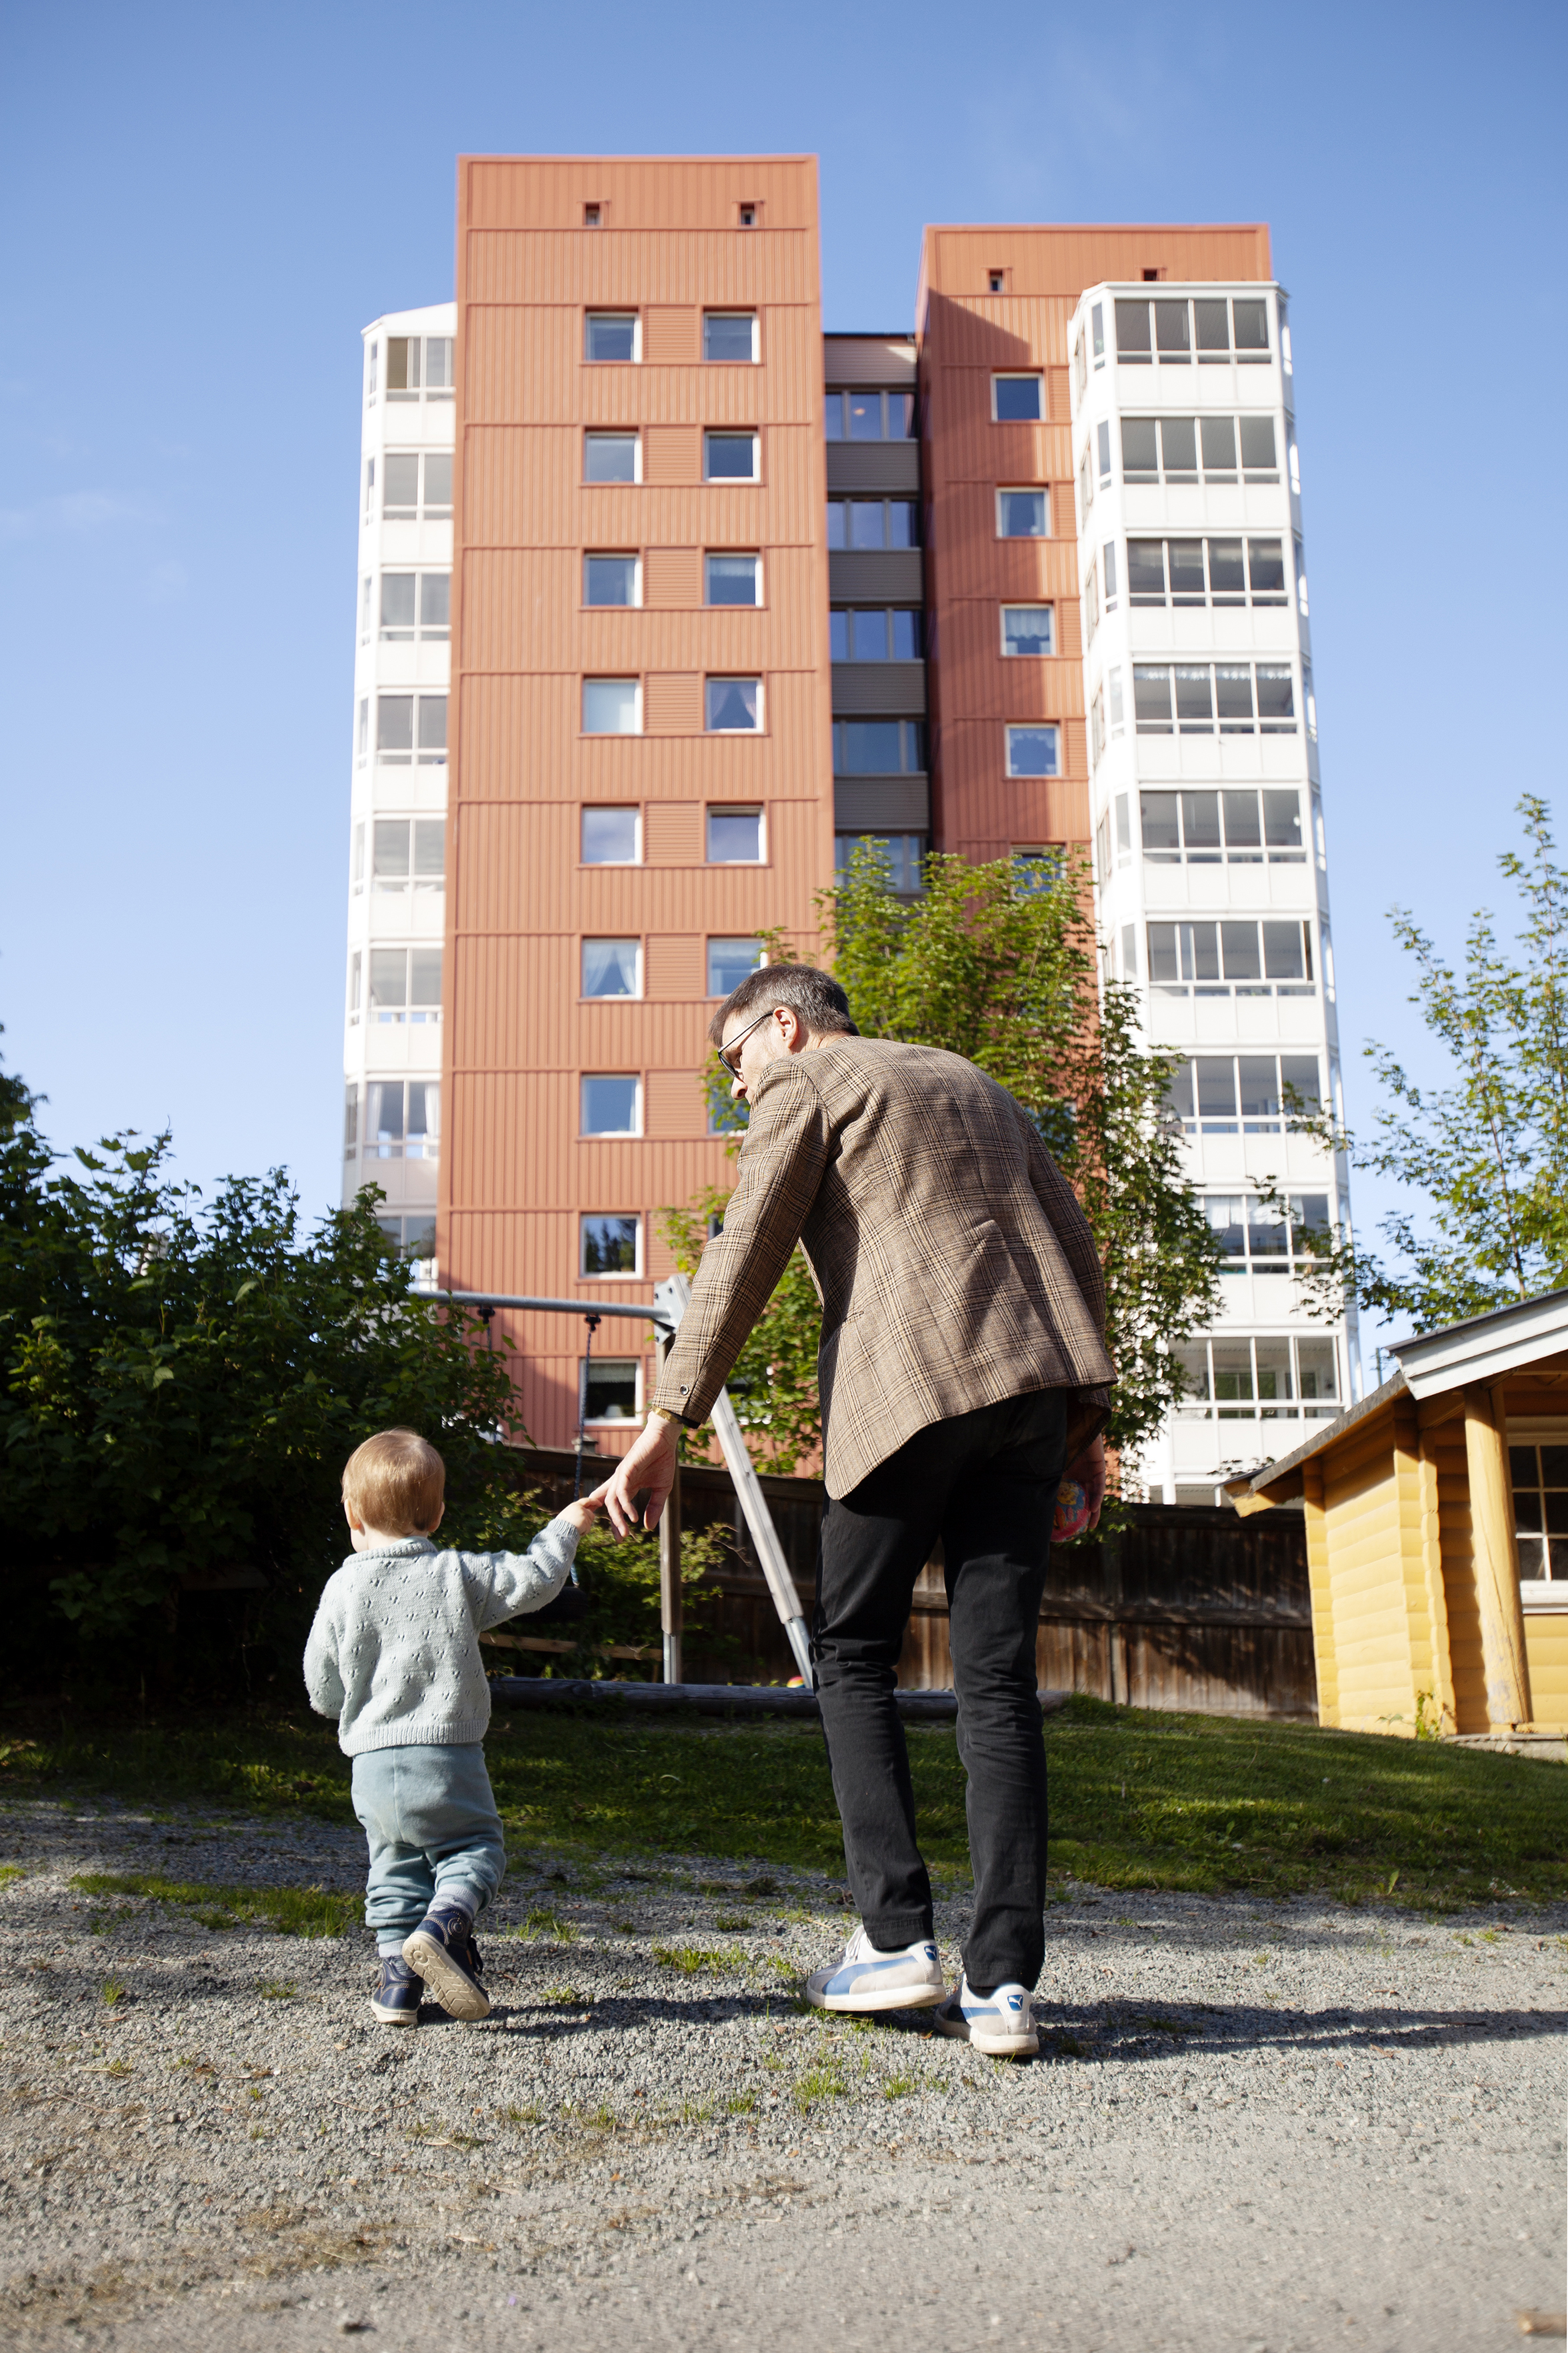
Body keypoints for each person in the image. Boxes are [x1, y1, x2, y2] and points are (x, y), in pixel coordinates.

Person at [595, 965, 1113, 2060]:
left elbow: (745, 1248)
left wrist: (666, 1419)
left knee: (851, 1653)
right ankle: (1005, 1986)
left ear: (782, 1025)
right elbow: (1071, 1237)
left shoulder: (812, 1082)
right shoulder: (973, 1080)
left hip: (910, 1390)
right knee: (997, 1684)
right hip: (1031, 1396)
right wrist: (1087, 1423)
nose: (741, 1090)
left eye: (737, 1063)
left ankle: (895, 1939)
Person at [305, 1427, 599, 2026]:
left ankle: (396, 1987)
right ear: (437, 1514)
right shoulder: (456, 1575)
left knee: (392, 1867)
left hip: (370, 1765)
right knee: (474, 1849)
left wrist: (347, 1709)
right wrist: (568, 1523)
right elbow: (535, 1578)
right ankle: (444, 1923)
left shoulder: (341, 1587)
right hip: (445, 1755)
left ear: (352, 1514)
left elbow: (321, 1682)